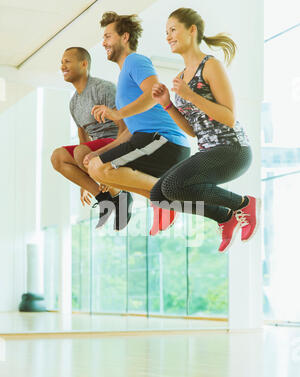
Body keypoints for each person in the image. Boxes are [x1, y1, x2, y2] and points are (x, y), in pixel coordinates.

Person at [150, 7, 260, 252]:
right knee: (159, 195)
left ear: (192, 30)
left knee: (173, 187)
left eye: (172, 30)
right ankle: (225, 217)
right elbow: (193, 130)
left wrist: (189, 95)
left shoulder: (211, 66)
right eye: (165, 32)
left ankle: (244, 204)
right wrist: (168, 103)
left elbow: (229, 118)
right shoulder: (181, 75)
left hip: (232, 149)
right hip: (207, 149)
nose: (168, 36)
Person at [83, 12, 190, 235]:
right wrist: (98, 152)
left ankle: (164, 199)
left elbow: (153, 95)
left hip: (164, 140)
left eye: (108, 36)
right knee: (96, 168)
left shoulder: (135, 60)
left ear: (124, 37)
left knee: (100, 168)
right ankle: (160, 201)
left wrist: (116, 113)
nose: (103, 43)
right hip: (146, 139)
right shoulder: (124, 77)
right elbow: (128, 134)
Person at [51, 46, 132, 230]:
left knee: (82, 151)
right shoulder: (73, 102)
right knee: (57, 157)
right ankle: (104, 200)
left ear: (84, 64)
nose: (62, 65)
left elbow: (124, 125)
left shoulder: (103, 88)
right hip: (93, 150)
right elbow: (83, 136)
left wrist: (102, 170)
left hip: (116, 141)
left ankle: (121, 196)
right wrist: (85, 180)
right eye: (61, 62)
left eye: (67, 61)